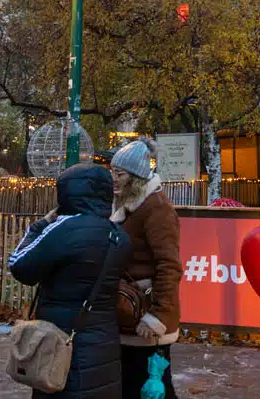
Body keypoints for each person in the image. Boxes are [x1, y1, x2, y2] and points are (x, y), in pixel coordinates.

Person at [9, 163, 130, 399]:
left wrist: (39, 226)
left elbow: (20, 266)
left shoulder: (63, 229)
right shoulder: (119, 236)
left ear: (67, 194)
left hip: (61, 349)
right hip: (104, 350)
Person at [109, 140, 182, 399]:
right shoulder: (129, 206)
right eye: (112, 173)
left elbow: (169, 265)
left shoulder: (157, 208)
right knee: (133, 386)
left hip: (148, 318)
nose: (114, 179)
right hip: (130, 314)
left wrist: (158, 316)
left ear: (137, 177)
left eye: (120, 174)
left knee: (155, 389)